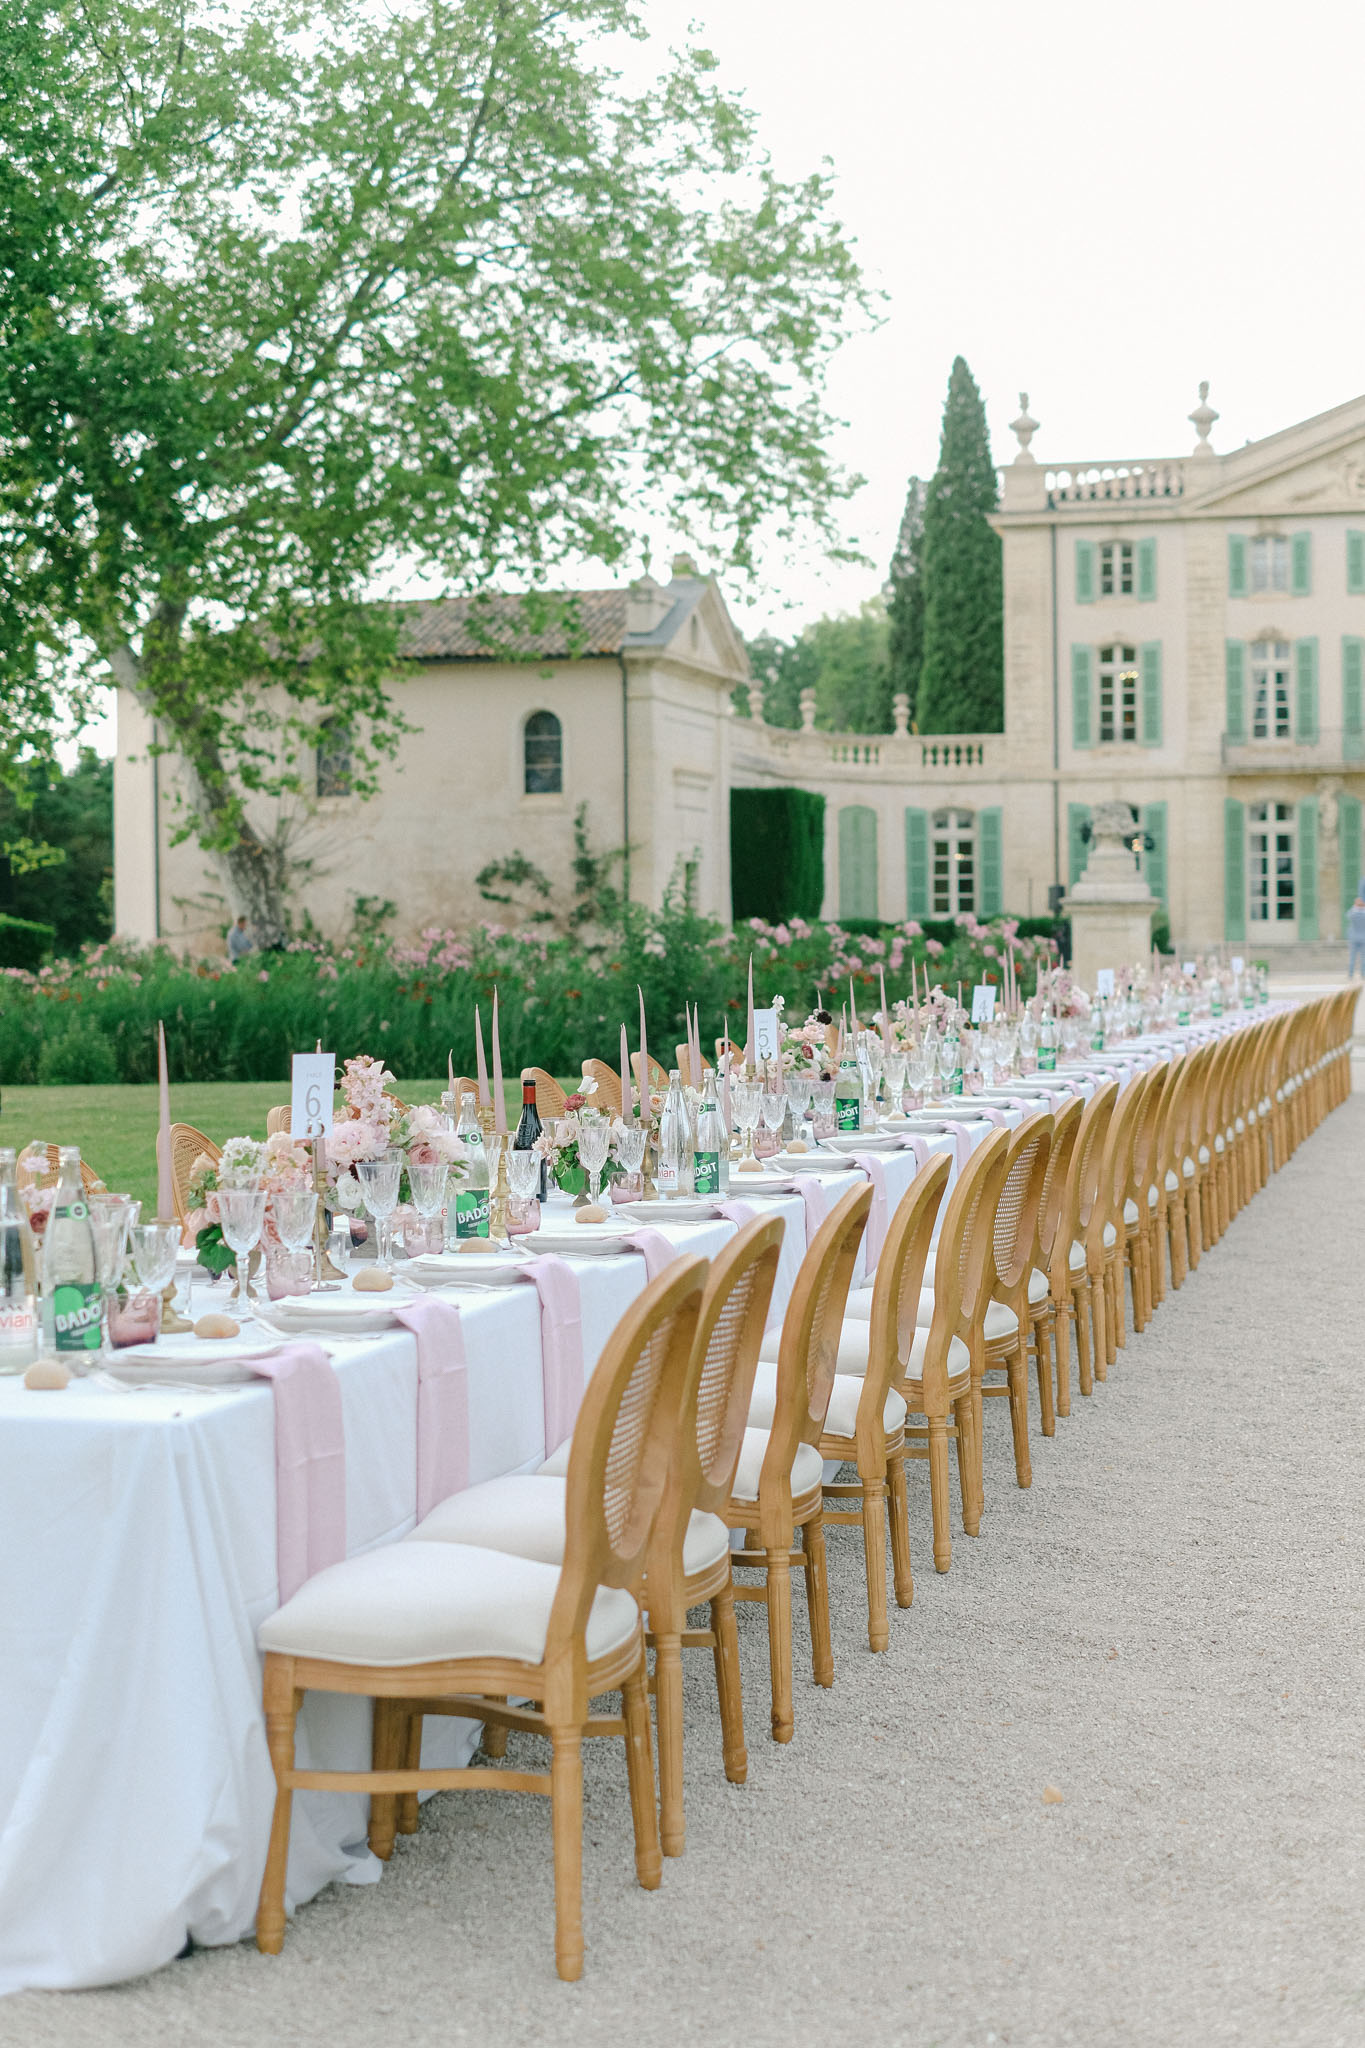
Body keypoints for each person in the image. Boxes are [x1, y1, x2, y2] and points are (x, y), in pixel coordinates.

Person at [1349, 895, 1365, 980]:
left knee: (1352, 957)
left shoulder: (1353, 913)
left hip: (1354, 938)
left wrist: (1355, 906)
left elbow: (1349, 915)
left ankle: (1351, 974)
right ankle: (1363, 974)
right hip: (1363, 938)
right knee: (1363, 958)